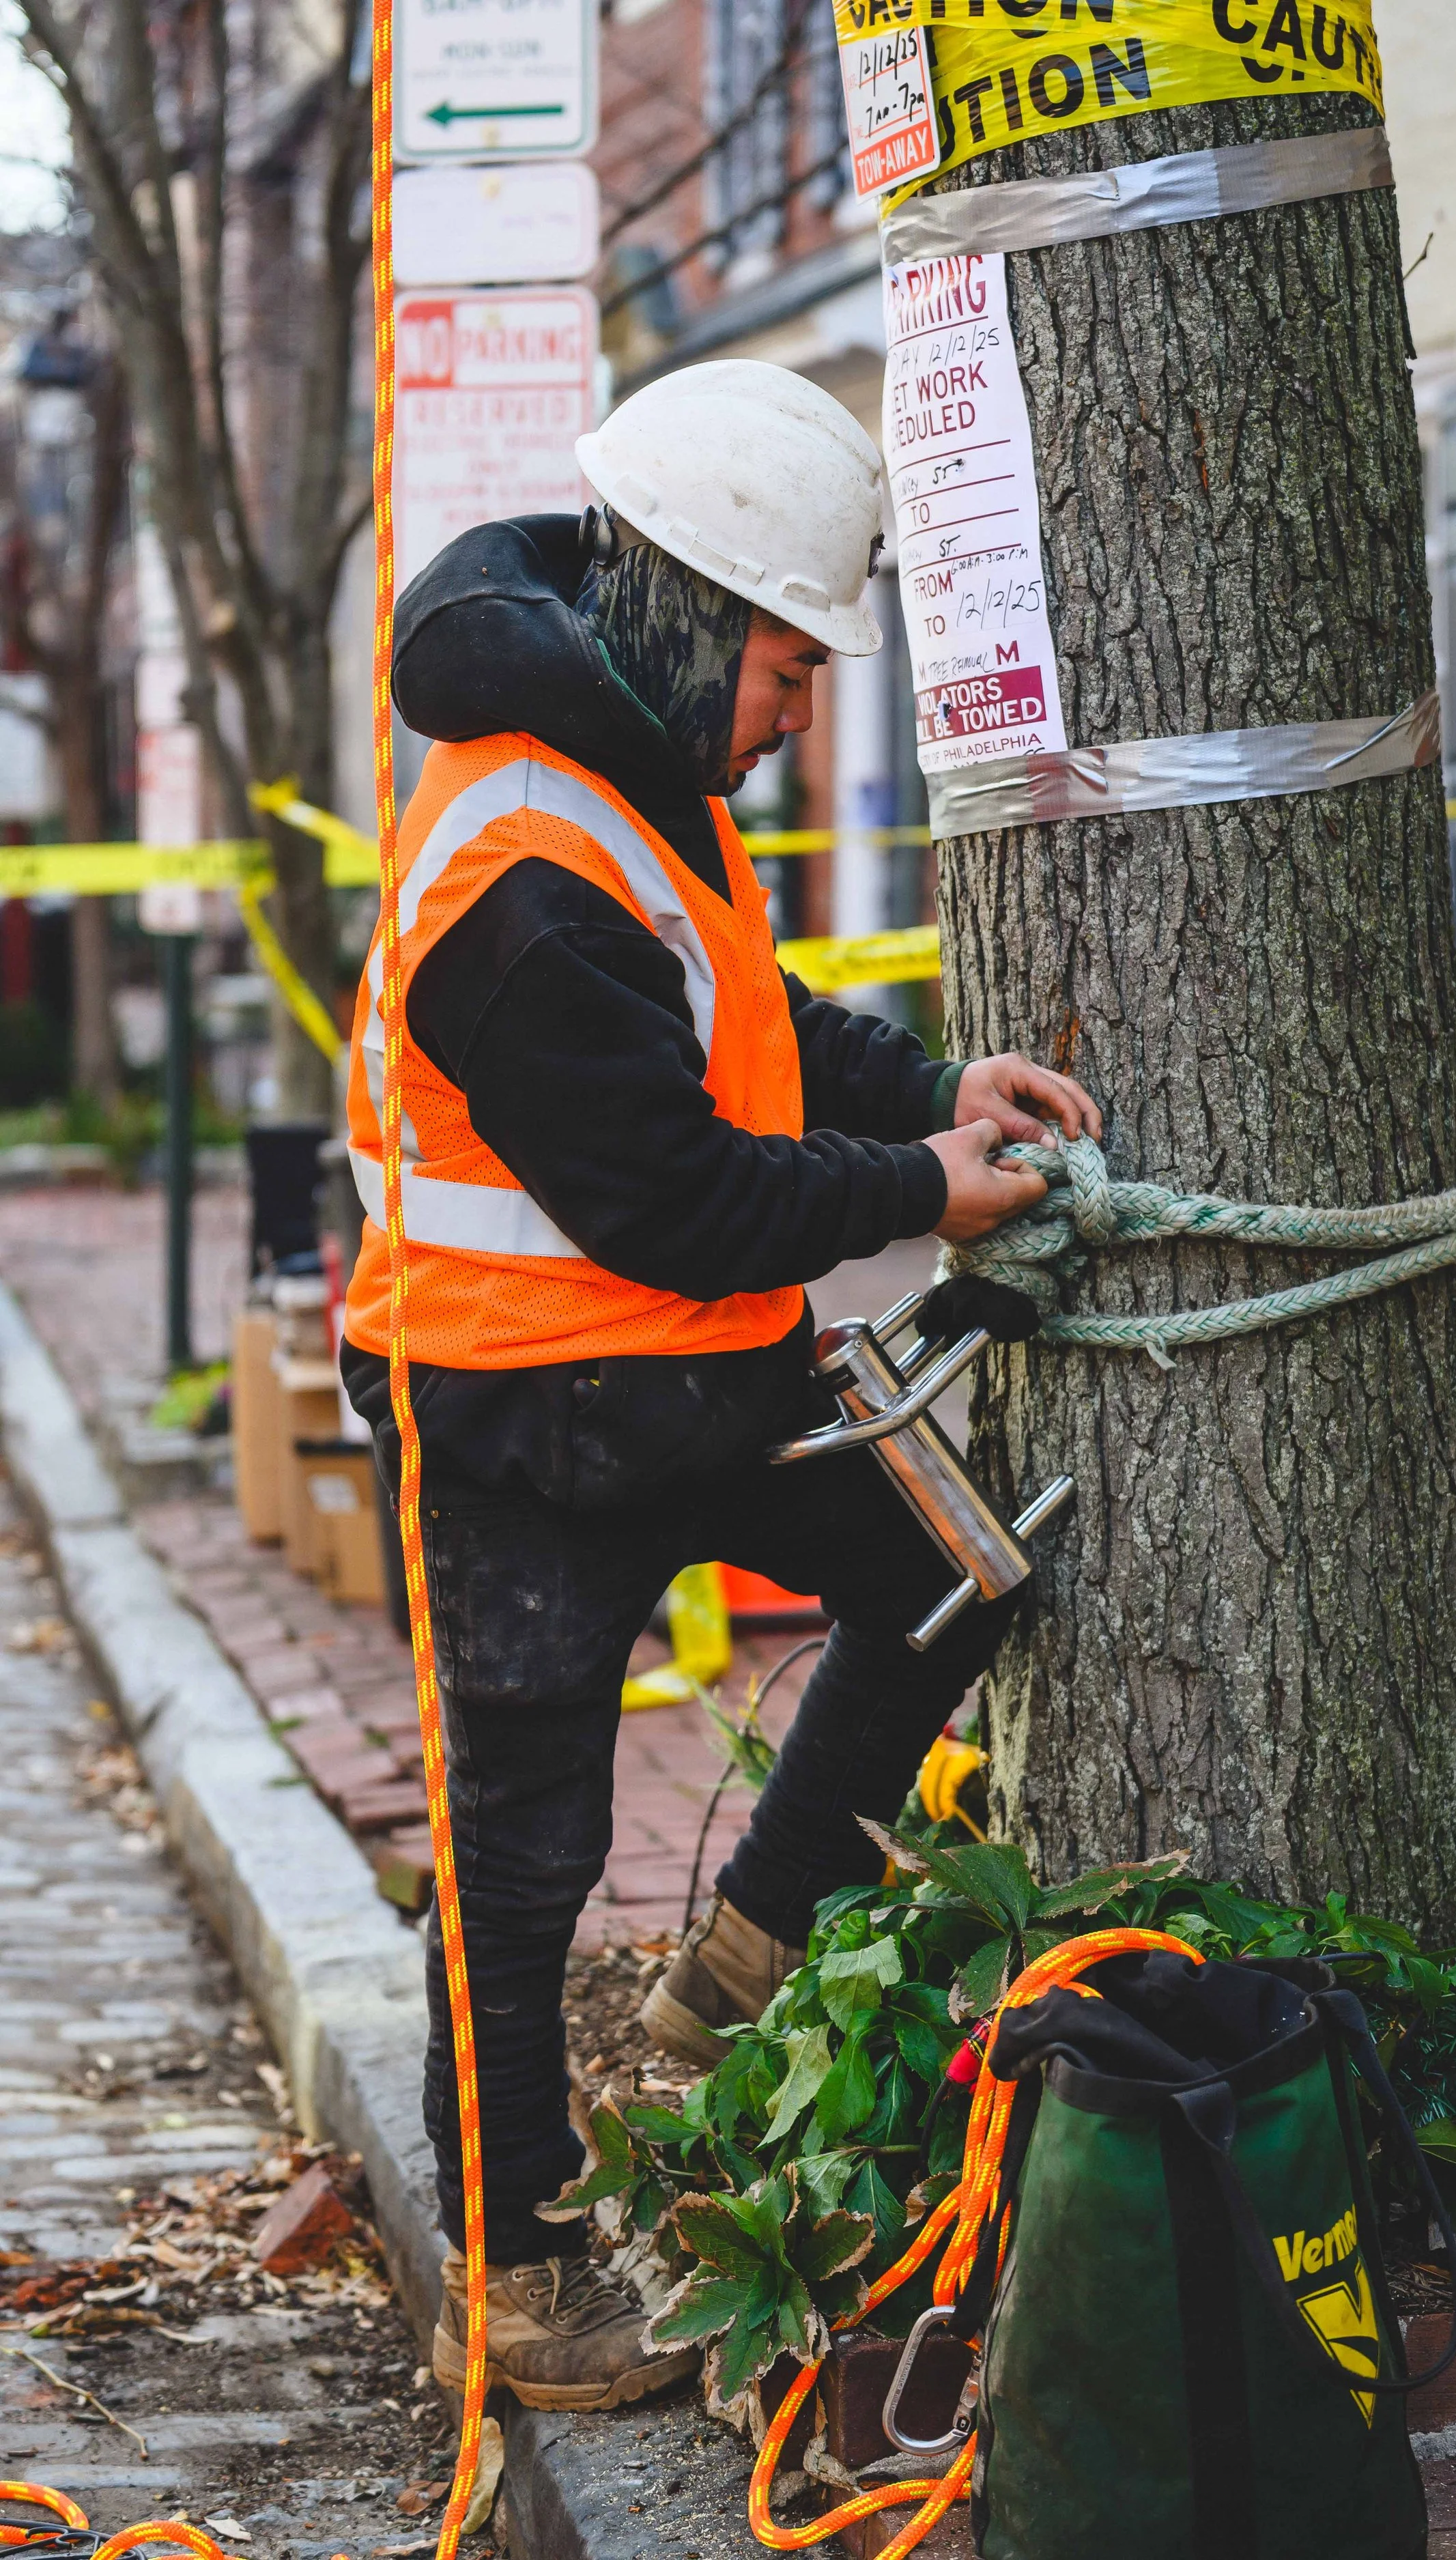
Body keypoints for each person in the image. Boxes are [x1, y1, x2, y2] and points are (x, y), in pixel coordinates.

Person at [340, 359, 1100, 2415]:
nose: (801, 716)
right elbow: (679, 1193)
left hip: (677, 1377)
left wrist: (931, 1083)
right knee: (519, 1862)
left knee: (950, 1573)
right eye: (789, 666)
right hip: (511, 1416)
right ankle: (516, 2278)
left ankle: (735, 1965)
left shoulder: (627, 766)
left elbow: (737, 1021)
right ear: (689, 614)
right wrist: (920, 1188)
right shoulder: (519, 873)